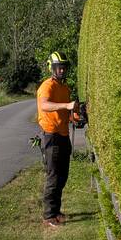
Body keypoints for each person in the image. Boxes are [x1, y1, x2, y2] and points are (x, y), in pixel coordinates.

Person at [36, 51, 77, 228]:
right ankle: (48, 216)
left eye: (63, 67)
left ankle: (57, 211)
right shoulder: (47, 86)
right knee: (53, 176)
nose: (61, 70)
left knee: (62, 176)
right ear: (52, 68)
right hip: (51, 135)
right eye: (58, 67)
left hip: (63, 134)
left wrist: (74, 115)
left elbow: (66, 112)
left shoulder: (65, 87)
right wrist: (67, 105)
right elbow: (44, 105)